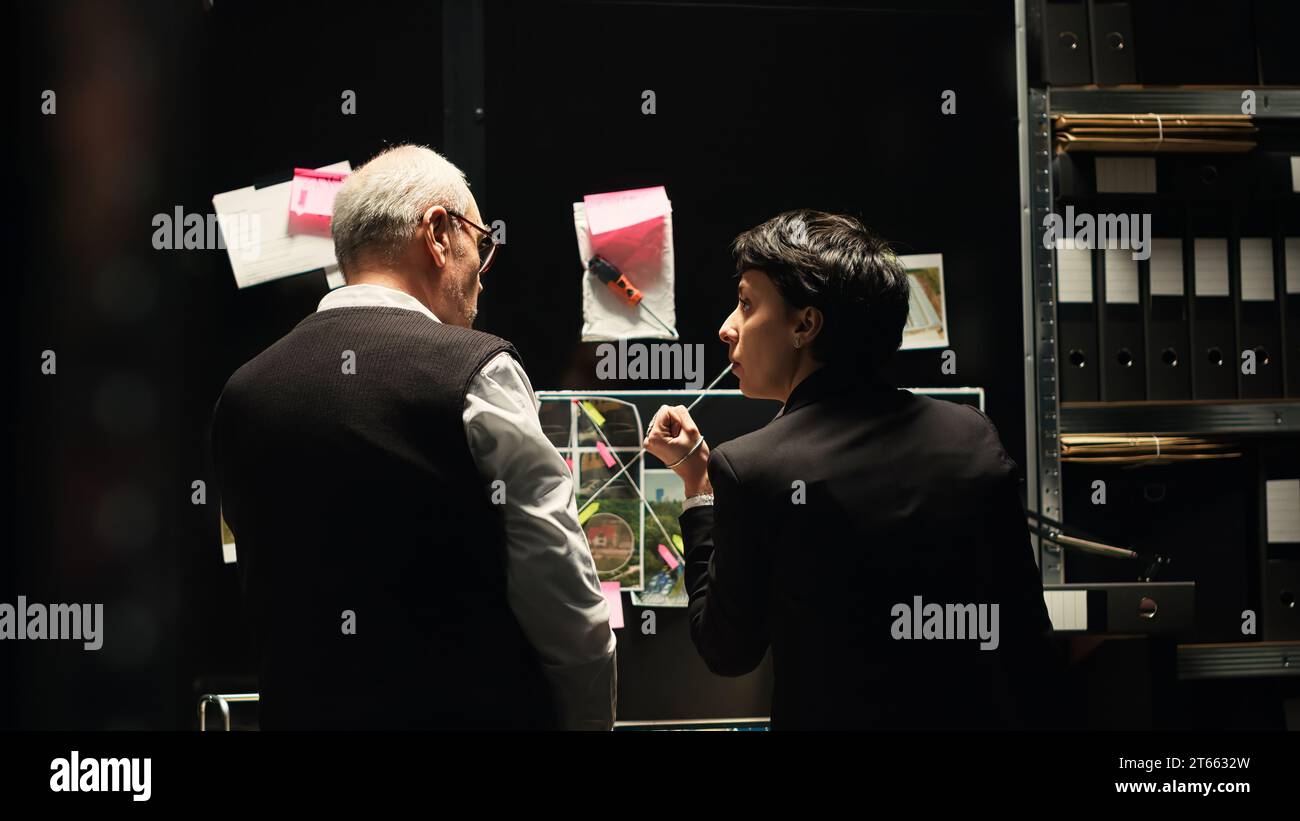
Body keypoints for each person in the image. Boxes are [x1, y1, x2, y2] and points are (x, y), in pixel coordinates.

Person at [210, 145, 615, 730]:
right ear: (438, 233)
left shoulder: (243, 392)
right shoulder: (478, 373)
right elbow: (563, 597)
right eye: (481, 243)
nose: (482, 275)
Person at [644, 210, 1062, 730]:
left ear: (805, 324)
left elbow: (726, 651)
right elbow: (1026, 632)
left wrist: (700, 488)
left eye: (747, 304)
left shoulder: (750, 467)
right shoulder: (971, 436)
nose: (727, 328)